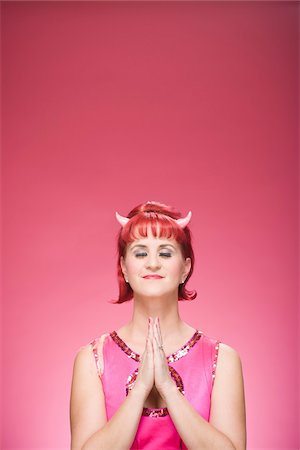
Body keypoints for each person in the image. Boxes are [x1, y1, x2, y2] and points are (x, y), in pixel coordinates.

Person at [69, 201, 246, 450]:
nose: (153, 263)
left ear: (185, 268)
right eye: (141, 253)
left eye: (165, 253)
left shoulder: (222, 359)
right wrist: (140, 389)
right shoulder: (92, 359)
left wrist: (168, 389)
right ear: (124, 268)